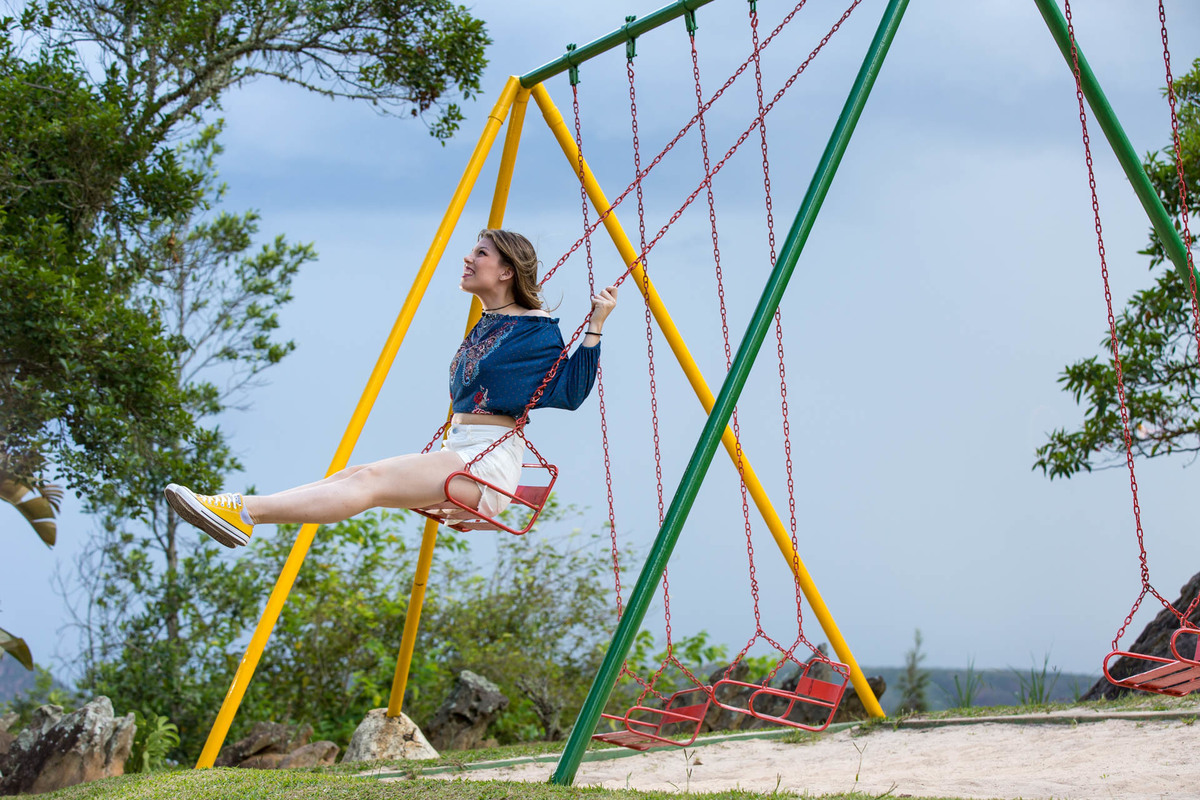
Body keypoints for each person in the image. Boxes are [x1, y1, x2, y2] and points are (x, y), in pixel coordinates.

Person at [165, 229, 617, 548]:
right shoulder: (488, 324)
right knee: (351, 475)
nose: (467, 258)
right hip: (460, 449)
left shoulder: (535, 330)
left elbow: (570, 392)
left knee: (370, 481)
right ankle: (242, 515)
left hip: (486, 462)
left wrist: (595, 325)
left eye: (480, 253)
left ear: (505, 272)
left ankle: (243, 510)